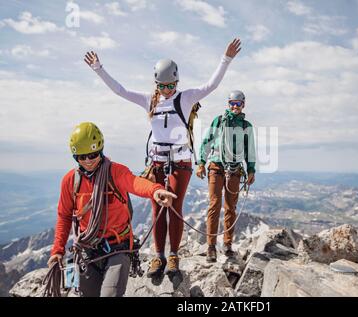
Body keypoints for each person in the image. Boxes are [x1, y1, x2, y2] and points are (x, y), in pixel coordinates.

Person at [83, 39, 242, 276]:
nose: (166, 90)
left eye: (170, 86)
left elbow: (212, 85)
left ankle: (174, 255)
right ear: (156, 84)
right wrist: (99, 69)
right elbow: (121, 90)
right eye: (162, 86)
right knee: (157, 208)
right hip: (157, 163)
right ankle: (159, 256)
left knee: (174, 206)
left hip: (180, 162)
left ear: (177, 82)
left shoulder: (186, 98)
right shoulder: (149, 100)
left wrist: (225, 59)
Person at [47, 122, 176, 297]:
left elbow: (134, 183)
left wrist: (155, 191)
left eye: (92, 155)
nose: (87, 161)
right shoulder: (70, 181)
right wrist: (57, 251)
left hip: (118, 247)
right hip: (87, 248)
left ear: (100, 150)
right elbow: (64, 216)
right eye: (81, 157)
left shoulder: (115, 172)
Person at [196, 90, 256, 263]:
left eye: (238, 104)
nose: (235, 106)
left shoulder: (246, 127)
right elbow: (207, 142)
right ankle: (210, 247)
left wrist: (251, 170)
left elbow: (250, 149)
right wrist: (201, 162)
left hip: (235, 169)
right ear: (228, 104)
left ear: (243, 105)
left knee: (230, 207)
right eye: (232, 103)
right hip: (216, 166)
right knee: (214, 205)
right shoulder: (219, 121)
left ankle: (228, 245)